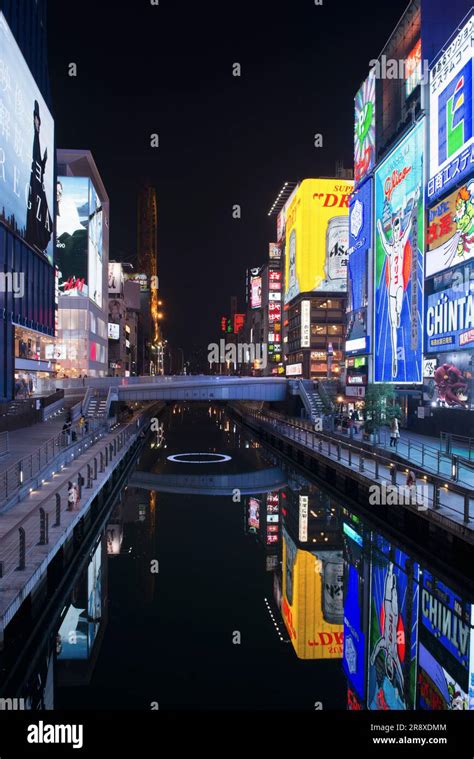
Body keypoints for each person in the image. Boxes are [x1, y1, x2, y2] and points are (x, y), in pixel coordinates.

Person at [377, 186, 420, 379]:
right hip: (391, 288)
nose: (395, 231)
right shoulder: (390, 247)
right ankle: (394, 358)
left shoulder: (402, 243)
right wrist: (378, 226)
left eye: (397, 228)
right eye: (394, 229)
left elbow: (410, 222)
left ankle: (398, 359)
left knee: (397, 315)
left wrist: (417, 200)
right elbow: (380, 237)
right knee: (393, 324)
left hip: (400, 284)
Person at [25, 100, 53, 257]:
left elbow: (38, 163)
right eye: (35, 118)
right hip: (34, 182)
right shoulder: (34, 139)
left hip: (37, 181)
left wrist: (43, 162)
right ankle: (33, 236)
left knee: (41, 211)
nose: (36, 122)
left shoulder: (38, 139)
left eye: (38, 120)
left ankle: (37, 237)